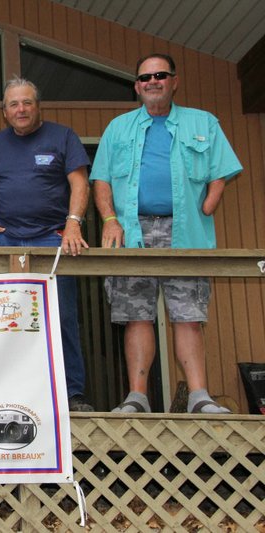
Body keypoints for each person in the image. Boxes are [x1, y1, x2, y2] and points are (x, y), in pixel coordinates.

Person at [91, 53, 242, 414]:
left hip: (185, 231)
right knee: (135, 314)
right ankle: (137, 397)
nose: (152, 82)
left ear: (174, 80)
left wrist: (209, 203)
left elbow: (221, 169)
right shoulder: (118, 128)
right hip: (133, 232)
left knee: (188, 314)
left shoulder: (203, 121)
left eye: (160, 75)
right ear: (136, 86)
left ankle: (199, 397)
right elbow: (101, 179)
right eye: (145, 78)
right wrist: (110, 219)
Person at [0, 77, 93, 412]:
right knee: (2, 318)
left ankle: (72, 393)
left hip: (53, 239)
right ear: (5, 112)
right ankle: (7, 392)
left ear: (38, 107)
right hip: (7, 240)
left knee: (62, 316)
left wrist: (72, 224)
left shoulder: (62, 136)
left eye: (26, 102)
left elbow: (79, 182)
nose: (21, 109)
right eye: (13, 104)